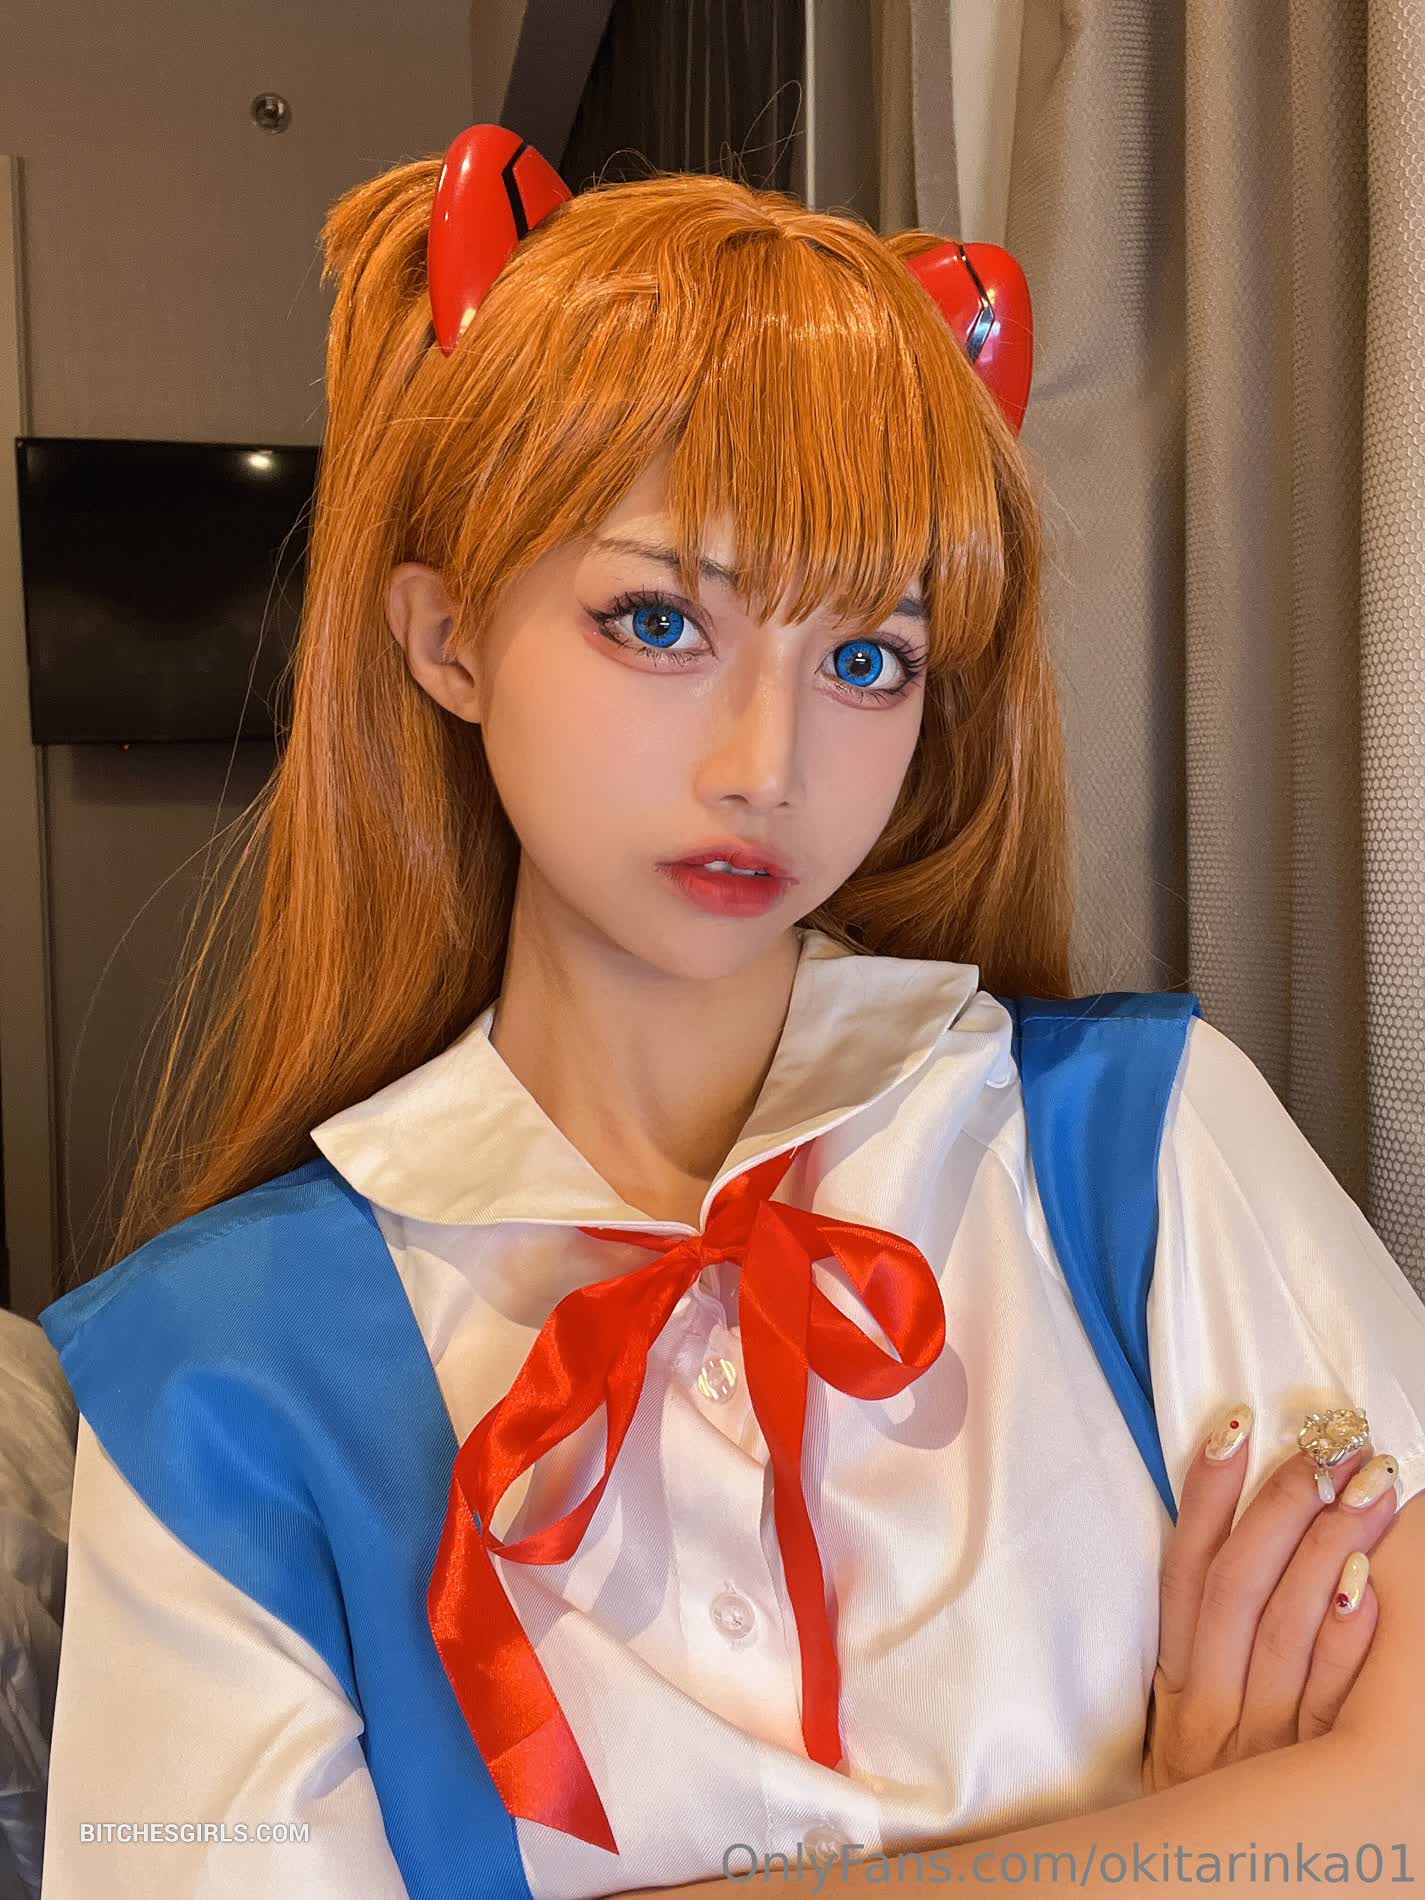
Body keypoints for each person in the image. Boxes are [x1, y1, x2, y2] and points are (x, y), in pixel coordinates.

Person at [35, 126, 1425, 1899]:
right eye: (654, 620)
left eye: (864, 658)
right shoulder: (213, 1386)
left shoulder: (1141, 1149)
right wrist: (1195, 1844)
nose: (767, 763)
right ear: (447, 638)